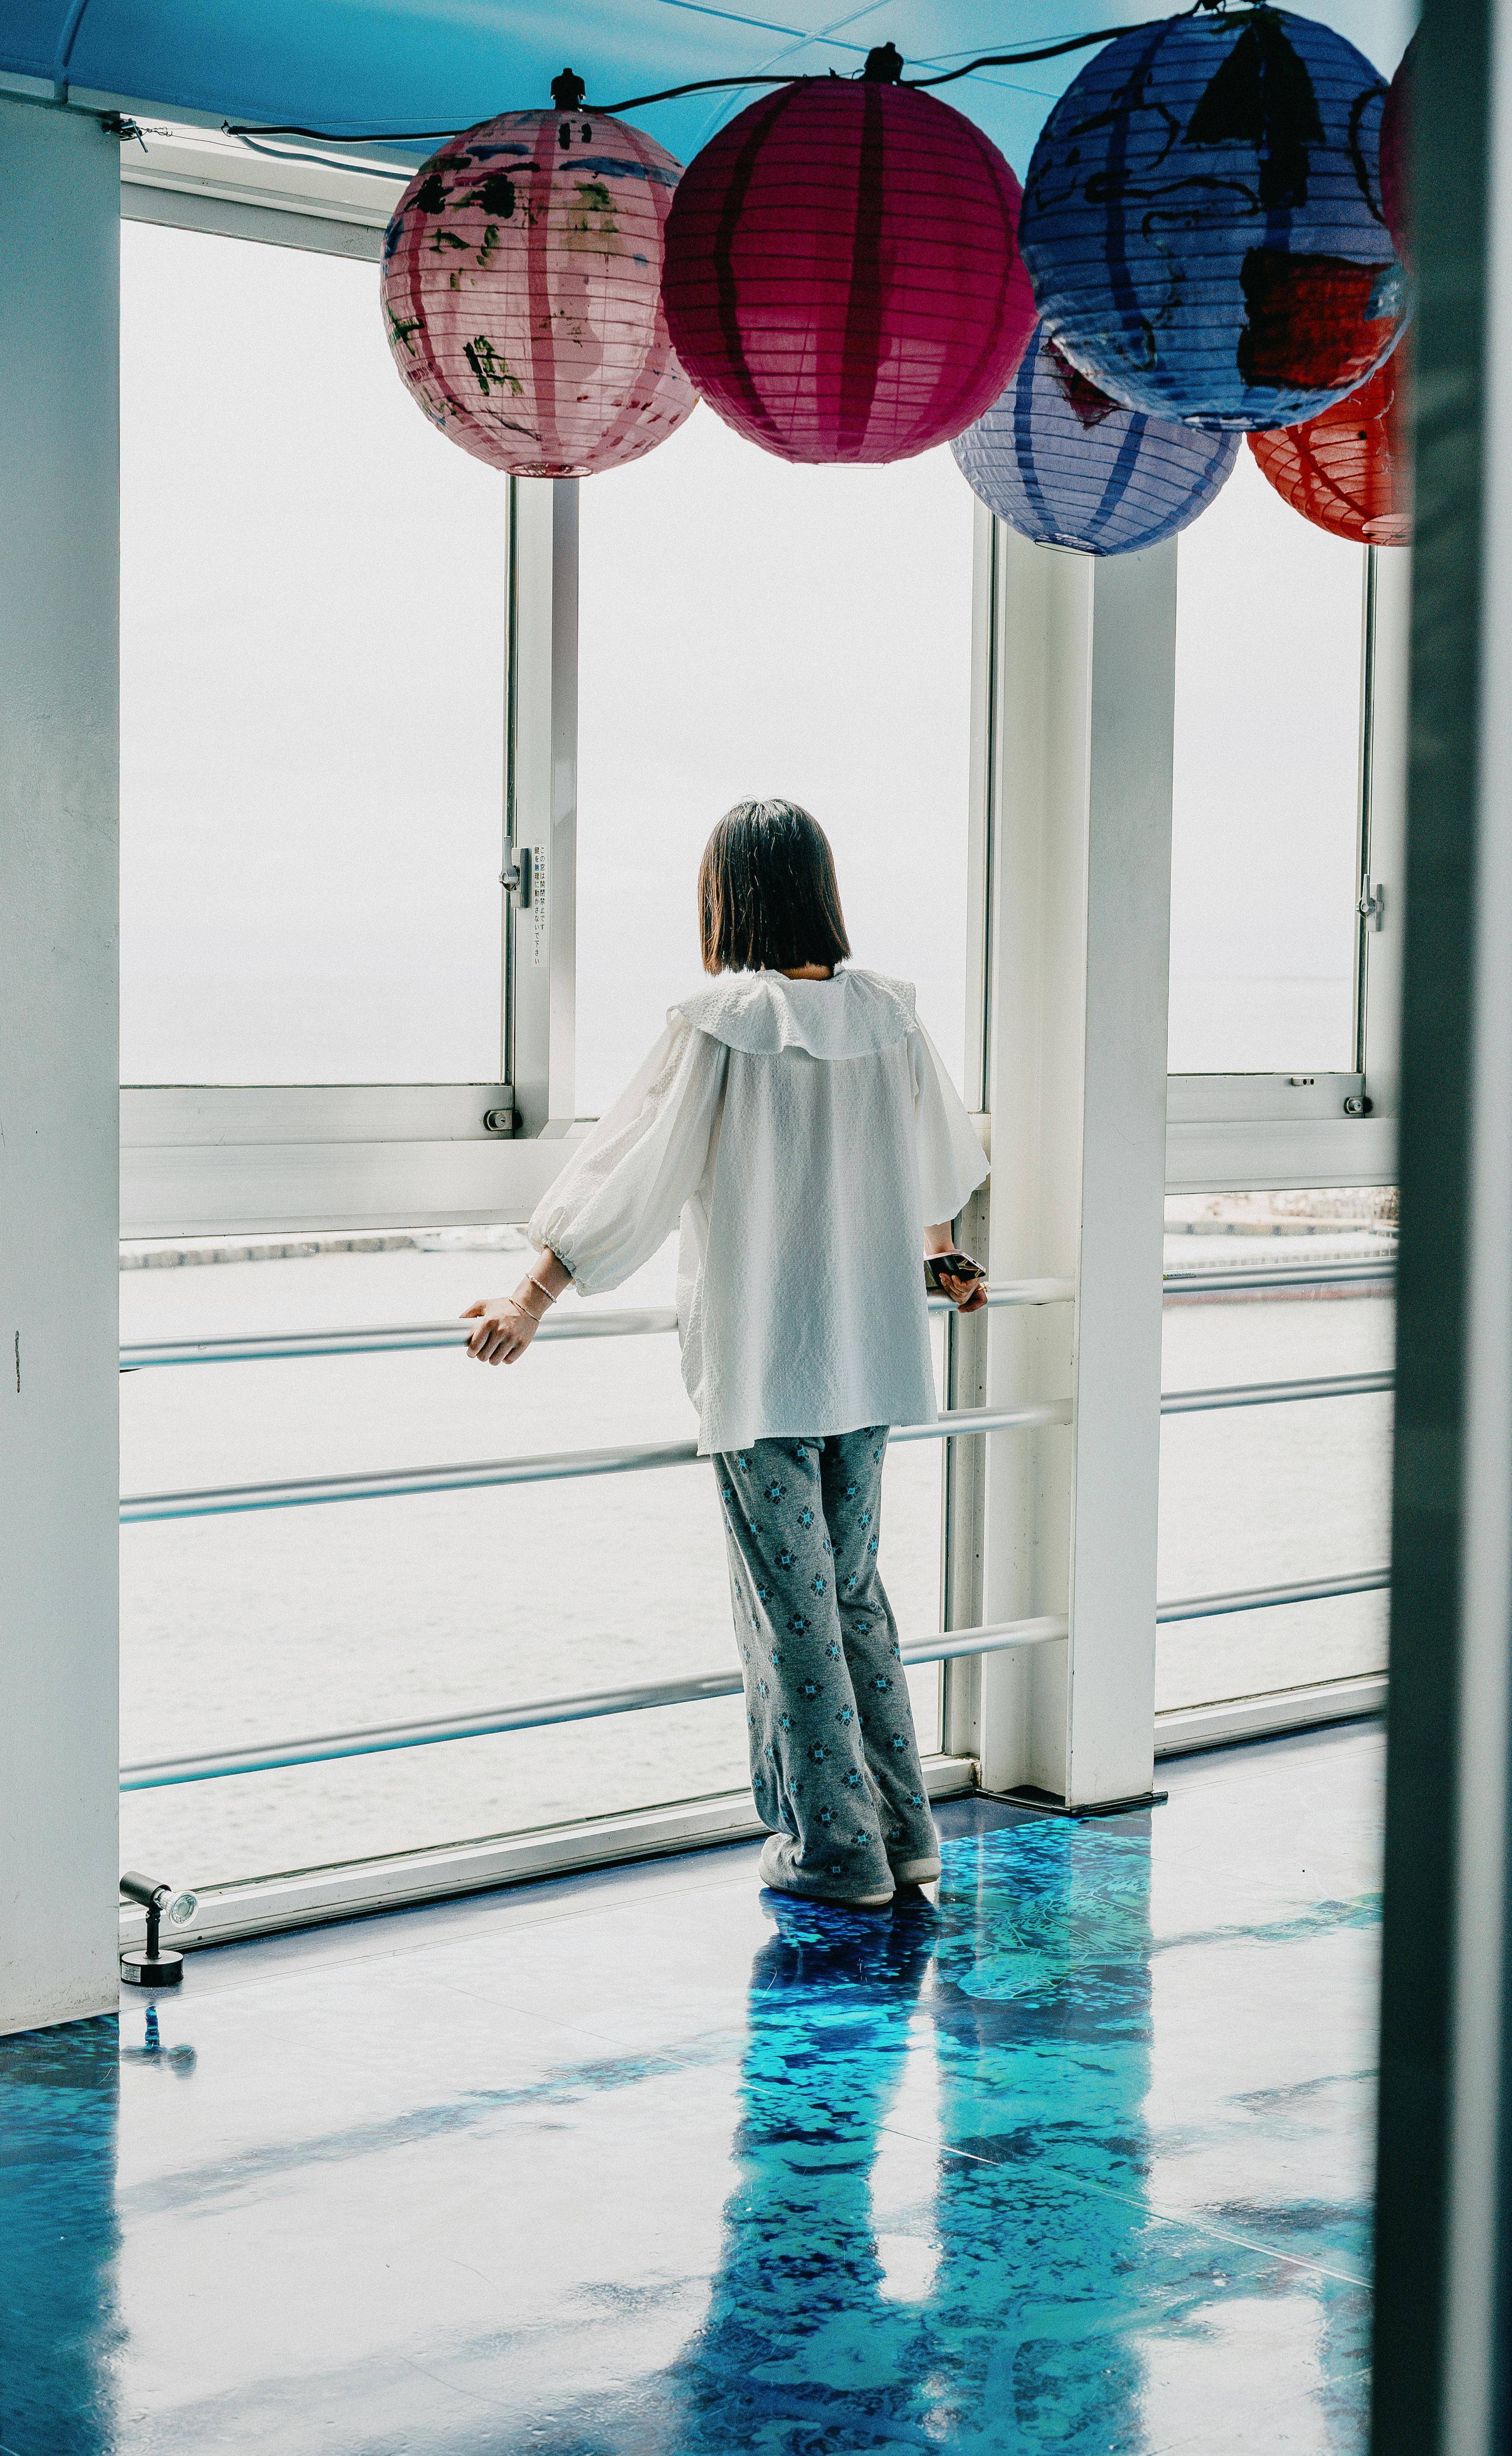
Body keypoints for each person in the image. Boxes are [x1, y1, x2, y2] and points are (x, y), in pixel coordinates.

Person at [462, 799, 988, 1909]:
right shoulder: (890, 1014)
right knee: (852, 1592)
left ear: (725, 895)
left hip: (763, 1358)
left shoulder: (720, 1022)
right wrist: (942, 1259)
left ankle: (833, 1851)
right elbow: (936, 1163)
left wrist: (529, 1295)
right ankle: (905, 1834)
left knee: (791, 1603)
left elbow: (629, 1175)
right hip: (870, 1350)